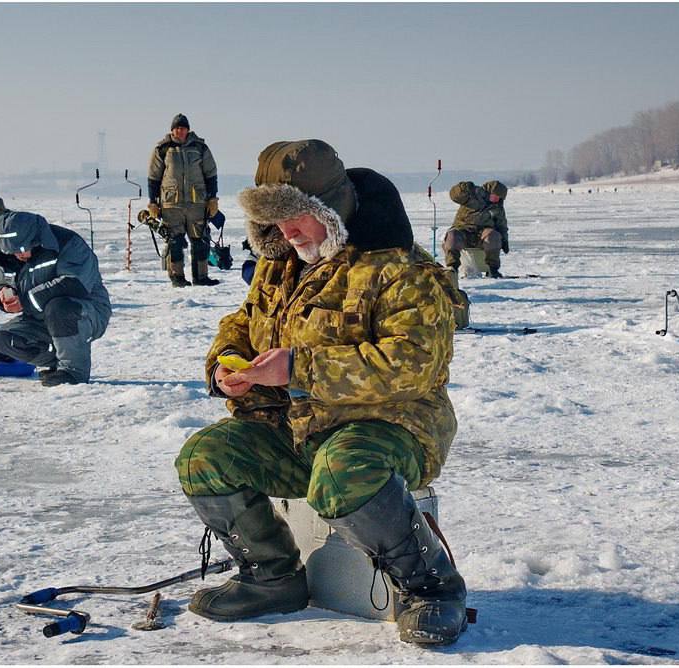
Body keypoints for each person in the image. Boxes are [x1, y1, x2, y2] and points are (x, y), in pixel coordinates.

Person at [173, 140, 468, 646]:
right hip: (295, 430)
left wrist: (299, 368)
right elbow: (243, 322)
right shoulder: (281, 262)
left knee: (343, 471)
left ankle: (431, 588)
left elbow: (417, 364)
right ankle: (271, 577)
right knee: (204, 457)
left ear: (330, 210)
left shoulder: (397, 268)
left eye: (296, 217)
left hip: (393, 429)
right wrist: (226, 363)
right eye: (274, 220)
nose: (286, 232)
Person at [0, 209, 111, 387]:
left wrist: (26, 300)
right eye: (12, 251)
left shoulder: (68, 244)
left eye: (20, 249)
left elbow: (74, 284)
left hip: (86, 311)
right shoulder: (13, 254)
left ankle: (73, 372)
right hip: (40, 316)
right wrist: (3, 293)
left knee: (59, 308)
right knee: (3, 339)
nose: (18, 255)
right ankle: (57, 361)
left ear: (35, 239)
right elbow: (7, 278)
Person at [147, 113, 220, 287]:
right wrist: (153, 202)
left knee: (199, 240)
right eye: (177, 128)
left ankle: (201, 277)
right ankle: (177, 277)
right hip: (172, 204)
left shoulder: (200, 148)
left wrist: (212, 198)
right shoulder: (162, 149)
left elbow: (211, 174)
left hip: (197, 203)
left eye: (183, 128)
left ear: (188, 129)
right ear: (172, 130)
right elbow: (153, 177)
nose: (180, 131)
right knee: (175, 241)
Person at [442, 180, 509, 278]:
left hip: (482, 234)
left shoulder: (497, 208)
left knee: (493, 236)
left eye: (499, 198)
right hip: (463, 230)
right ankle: (452, 268)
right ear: (490, 192)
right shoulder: (471, 195)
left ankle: (493, 270)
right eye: (496, 196)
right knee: (453, 236)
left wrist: (504, 239)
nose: (497, 199)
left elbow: (502, 225)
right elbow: (454, 196)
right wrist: (462, 188)